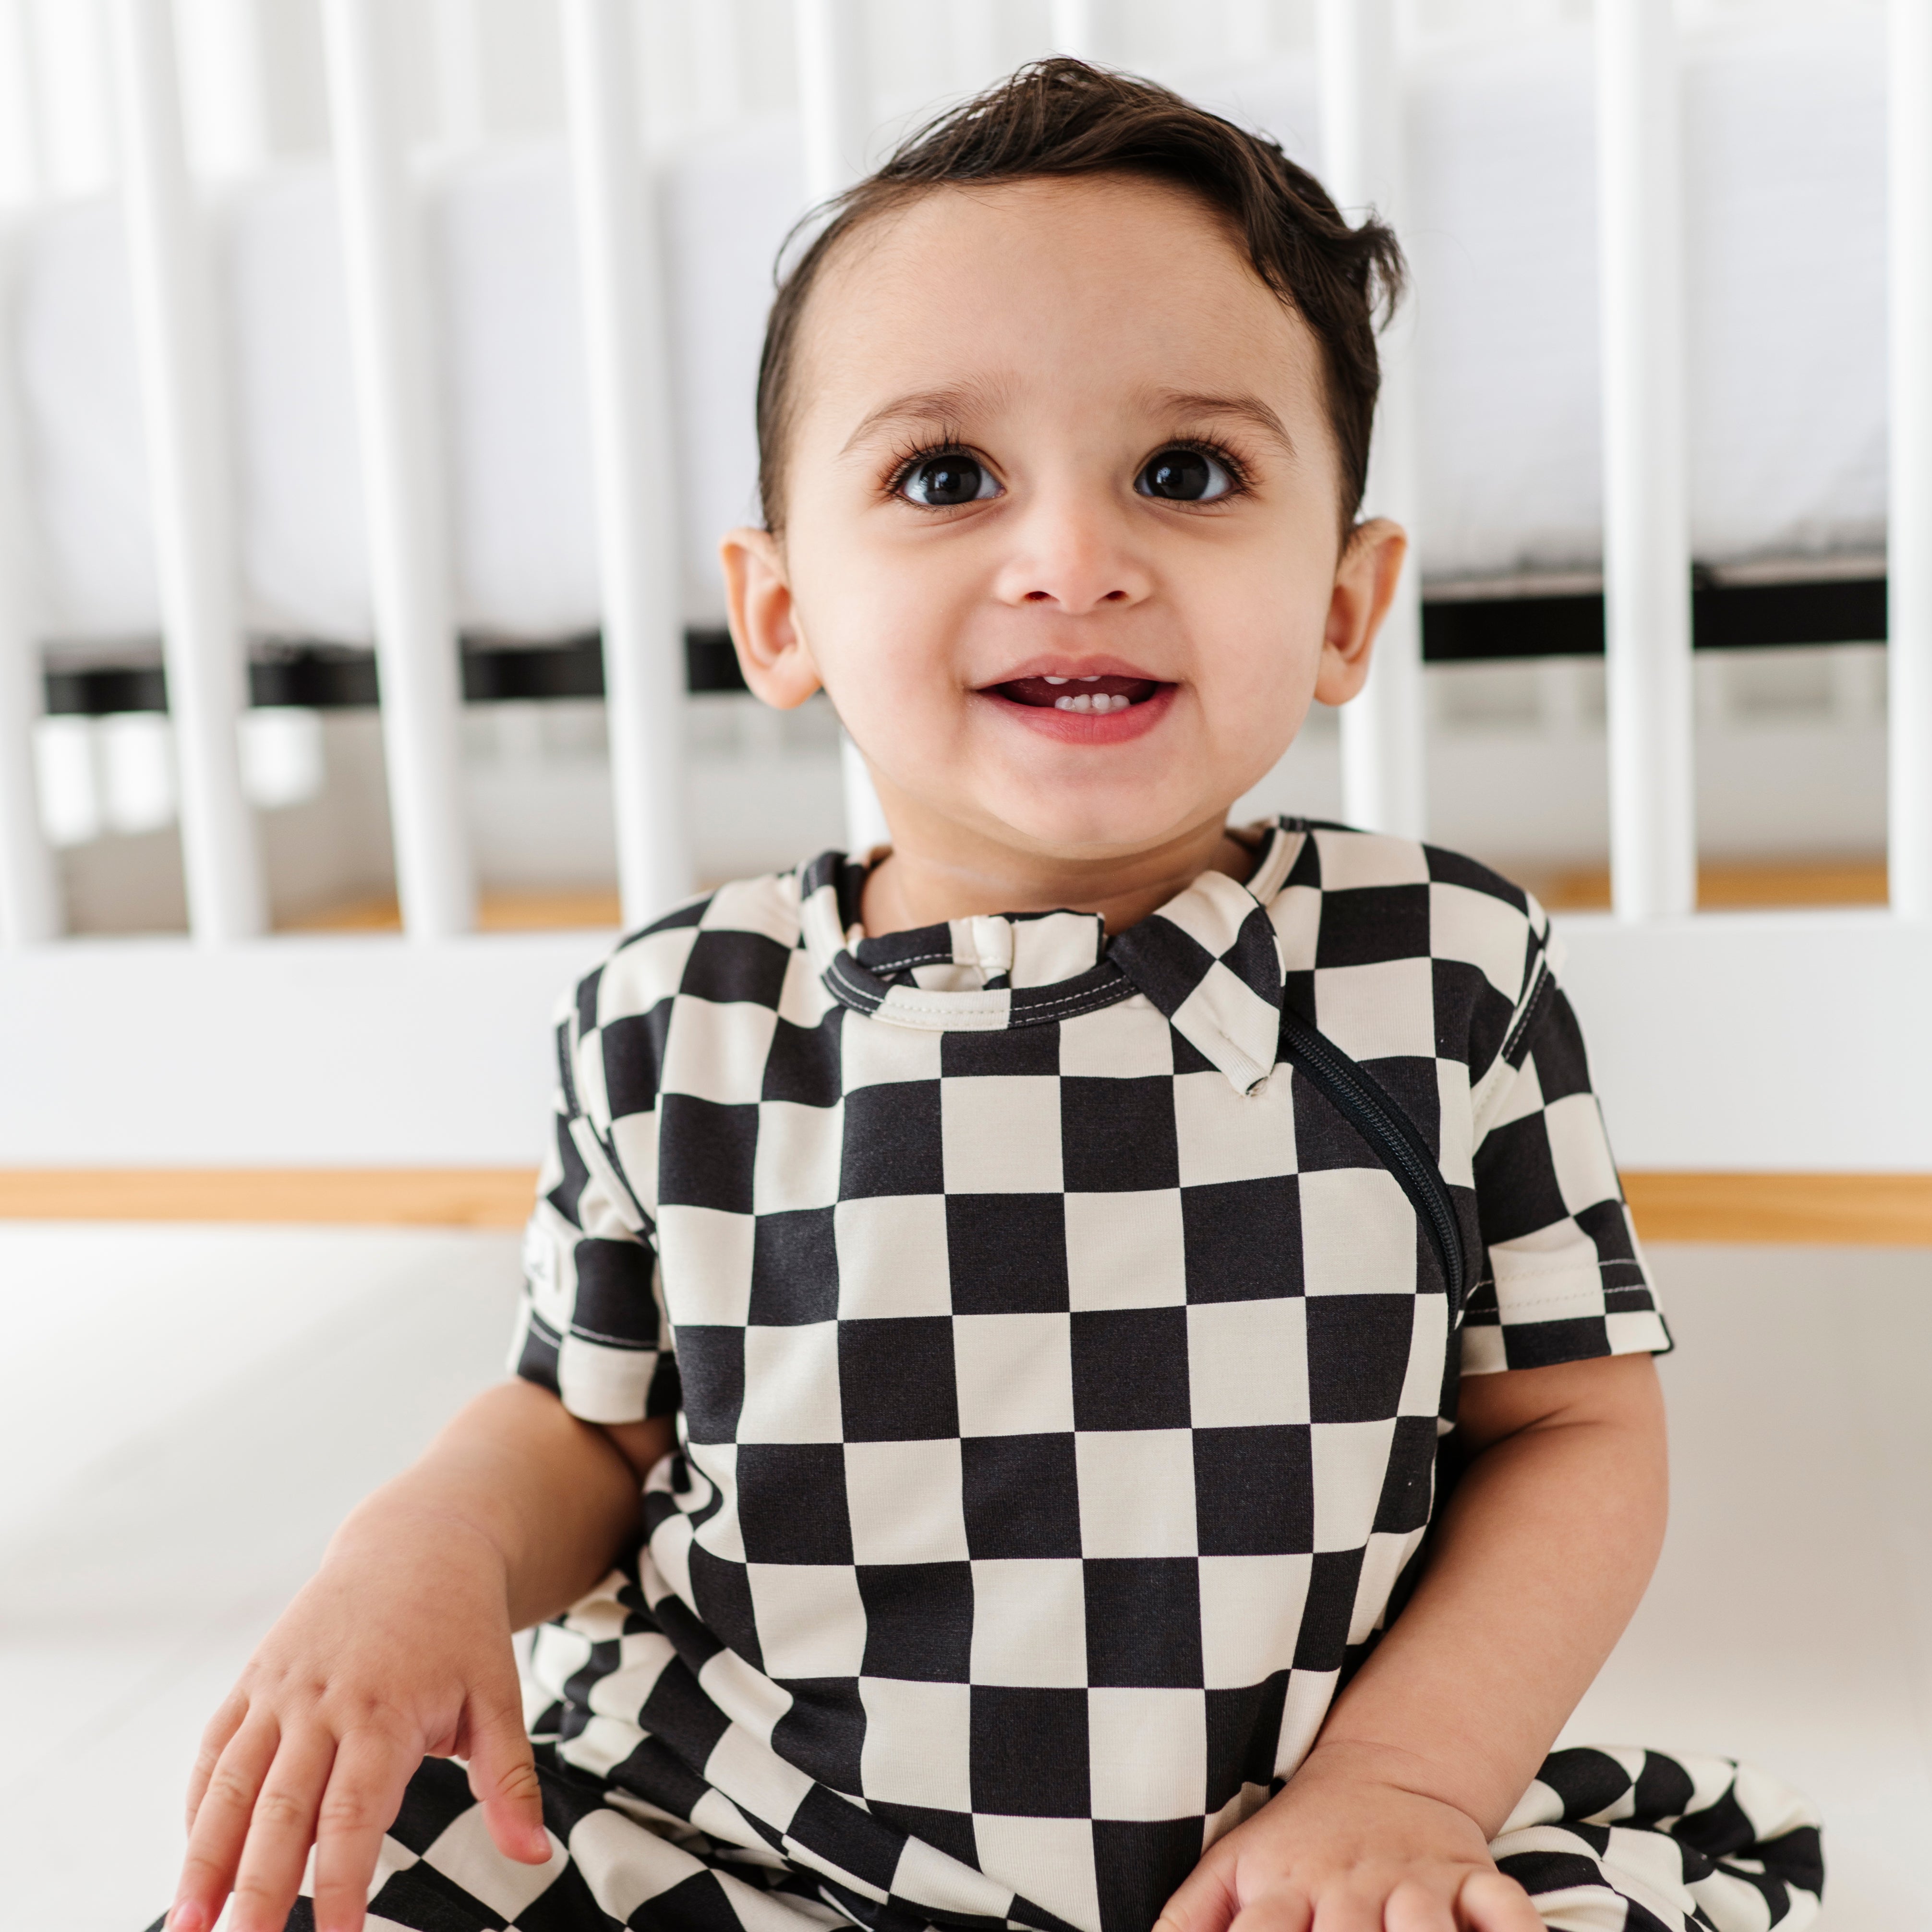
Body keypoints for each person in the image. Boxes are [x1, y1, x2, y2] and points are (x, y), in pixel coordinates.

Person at [156, 60, 1823, 1932]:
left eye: (1185, 474)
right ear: (778, 610)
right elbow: (583, 1425)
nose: (1072, 561)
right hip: (745, 1824)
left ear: (1348, 606)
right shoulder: (677, 1017)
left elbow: (1576, 1430)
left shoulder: (1432, 975)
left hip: (1288, 1838)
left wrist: (1403, 1784)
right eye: (946, 476)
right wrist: (430, 1534)